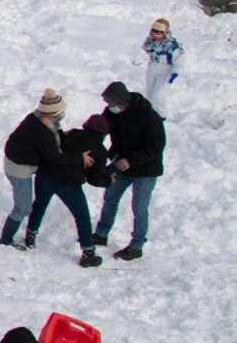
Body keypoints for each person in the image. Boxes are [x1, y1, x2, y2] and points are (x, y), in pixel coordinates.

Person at [20, 97, 105, 267]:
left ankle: (30, 234)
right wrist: (110, 178)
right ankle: (88, 253)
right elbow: (95, 179)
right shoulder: (99, 151)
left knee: (40, 204)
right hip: (69, 184)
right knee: (81, 216)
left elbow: (55, 141)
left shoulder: (70, 133)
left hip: (45, 176)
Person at [91, 80, 165, 260]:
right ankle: (101, 234)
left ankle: (137, 246)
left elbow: (157, 146)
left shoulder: (149, 116)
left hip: (146, 170)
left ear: (122, 102)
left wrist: (131, 161)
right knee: (110, 198)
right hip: (121, 165)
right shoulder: (111, 112)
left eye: (112, 103)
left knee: (139, 208)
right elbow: (100, 130)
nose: (109, 107)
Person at [0, 89, 70, 248]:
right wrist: (77, 158)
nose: (63, 114)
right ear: (54, 113)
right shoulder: (42, 130)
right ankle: (6, 239)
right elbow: (54, 157)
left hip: (17, 163)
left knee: (23, 206)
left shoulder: (37, 119)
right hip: (18, 170)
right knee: (22, 208)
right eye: (61, 112)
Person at [139, 17, 182, 116]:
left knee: (159, 96)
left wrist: (174, 74)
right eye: (154, 33)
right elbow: (143, 52)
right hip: (152, 69)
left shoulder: (172, 45)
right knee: (149, 95)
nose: (156, 36)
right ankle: (149, 115)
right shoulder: (150, 41)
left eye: (159, 33)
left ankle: (161, 116)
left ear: (165, 32)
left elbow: (179, 61)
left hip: (165, 71)